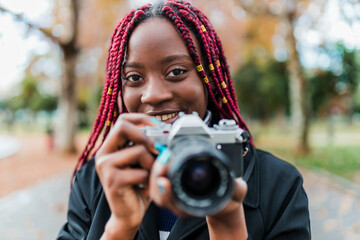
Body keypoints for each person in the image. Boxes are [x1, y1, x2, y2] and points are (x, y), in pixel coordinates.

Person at [57, 0, 311, 239]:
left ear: (208, 80)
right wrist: (119, 228)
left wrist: (228, 227)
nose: (153, 95)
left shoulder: (278, 184)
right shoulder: (93, 179)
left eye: (176, 72)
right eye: (134, 77)